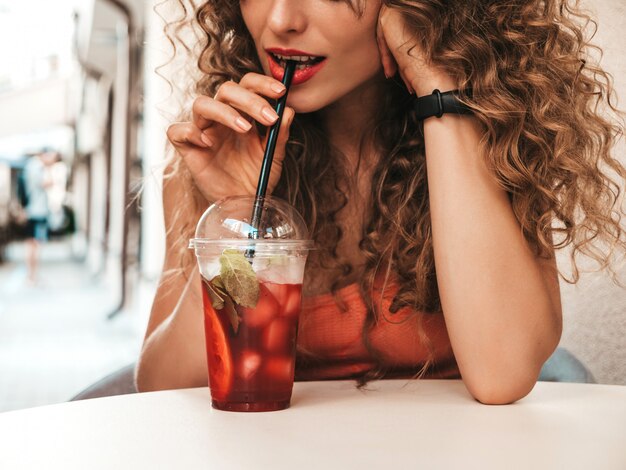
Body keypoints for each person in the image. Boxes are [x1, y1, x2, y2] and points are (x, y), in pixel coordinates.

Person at [136, 0, 626, 404]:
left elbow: (503, 373)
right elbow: (165, 390)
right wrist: (241, 216)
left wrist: (438, 89)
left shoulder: (500, 132)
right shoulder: (215, 149)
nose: (282, 19)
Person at [23, 150, 55, 284]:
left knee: (32, 243)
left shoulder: (30, 166)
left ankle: (32, 275)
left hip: (32, 210)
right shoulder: (36, 167)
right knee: (35, 244)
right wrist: (49, 170)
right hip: (37, 211)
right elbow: (47, 183)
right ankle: (32, 275)